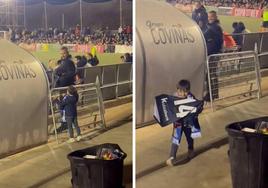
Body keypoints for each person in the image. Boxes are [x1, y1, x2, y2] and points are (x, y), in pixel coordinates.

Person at [166, 80, 203, 166]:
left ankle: (191, 149)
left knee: (189, 137)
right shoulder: (173, 97)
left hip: (188, 122)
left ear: (188, 90)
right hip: (178, 123)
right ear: (177, 89)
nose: (182, 94)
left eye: (185, 92)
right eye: (180, 91)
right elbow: (169, 109)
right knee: (176, 138)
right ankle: (172, 156)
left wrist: (199, 108)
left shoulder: (191, 98)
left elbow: (197, 107)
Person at [203, 11, 223, 101]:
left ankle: (211, 94)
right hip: (212, 54)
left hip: (213, 54)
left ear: (215, 17)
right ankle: (213, 94)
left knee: (210, 74)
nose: (210, 18)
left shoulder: (214, 27)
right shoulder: (212, 27)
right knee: (211, 74)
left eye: (211, 16)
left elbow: (217, 41)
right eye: (209, 16)